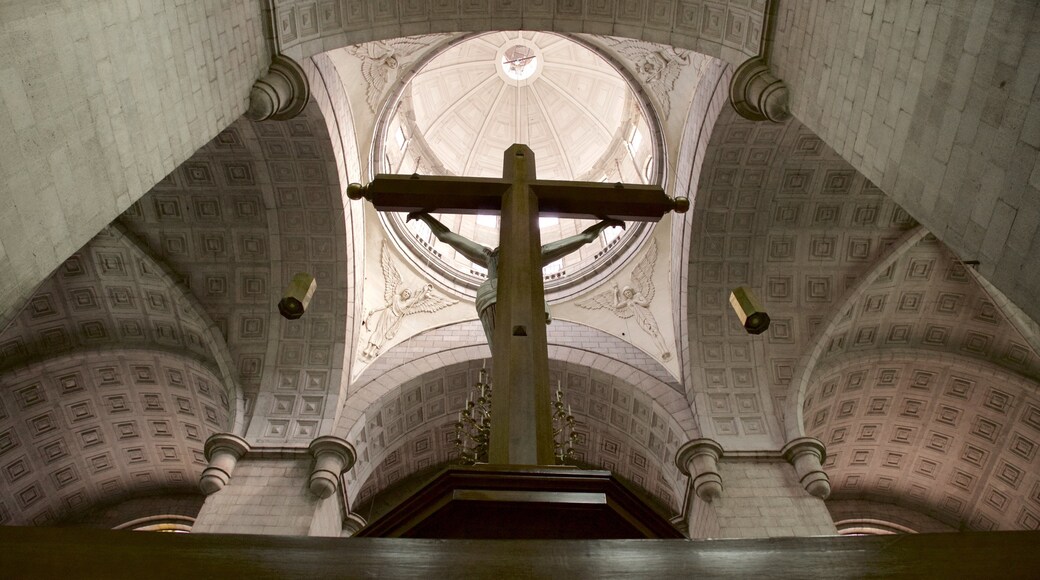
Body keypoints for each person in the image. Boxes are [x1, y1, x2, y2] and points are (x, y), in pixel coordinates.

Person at [407, 211, 624, 346]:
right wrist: (603, 225)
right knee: (520, 348)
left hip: (496, 295)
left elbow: (446, 236)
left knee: (508, 349)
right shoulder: (531, 254)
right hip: (513, 297)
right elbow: (584, 238)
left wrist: (425, 217)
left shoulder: (491, 255)